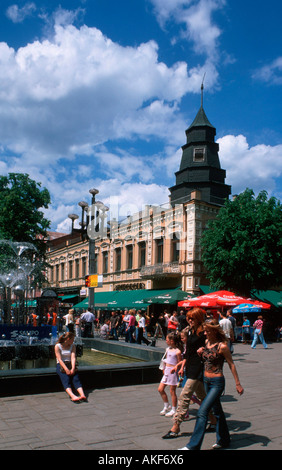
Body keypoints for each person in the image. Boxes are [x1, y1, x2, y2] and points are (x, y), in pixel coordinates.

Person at [179, 320, 244, 450]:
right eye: (204, 331)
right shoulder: (206, 343)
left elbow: (231, 364)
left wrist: (238, 383)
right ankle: (224, 440)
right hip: (206, 381)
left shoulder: (222, 346)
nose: (205, 333)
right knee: (218, 411)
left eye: (207, 331)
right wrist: (201, 352)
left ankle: (193, 446)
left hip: (217, 383)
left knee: (202, 412)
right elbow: (205, 358)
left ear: (214, 331)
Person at [162, 308, 216, 439]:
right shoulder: (191, 331)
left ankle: (176, 426)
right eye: (188, 318)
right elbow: (188, 353)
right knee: (203, 397)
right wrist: (180, 366)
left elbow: (214, 345)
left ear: (199, 318)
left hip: (199, 368)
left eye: (192, 318)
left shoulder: (204, 332)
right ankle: (214, 421)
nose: (190, 320)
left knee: (184, 396)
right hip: (190, 368)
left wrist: (205, 349)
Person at [55, 332, 87, 403]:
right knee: (65, 379)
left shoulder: (73, 346)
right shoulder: (58, 346)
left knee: (76, 378)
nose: (73, 341)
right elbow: (59, 359)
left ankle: (82, 394)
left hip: (70, 364)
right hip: (61, 365)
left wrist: (72, 368)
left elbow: (73, 358)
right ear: (68, 339)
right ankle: (72, 395)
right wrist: (66, 369)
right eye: (73, 339)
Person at [158, 332, 182, 417]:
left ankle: (174, 408)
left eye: (167, 339)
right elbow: (167, 360)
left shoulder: (177, 351)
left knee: (172, 391)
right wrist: (164, 368)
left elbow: (180, 363)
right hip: (167, 371)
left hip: (172, 372)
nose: (166, 341)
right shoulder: (167, 349)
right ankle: (166, 405)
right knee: (160, 389)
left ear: (172, 341)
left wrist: (177, 368)